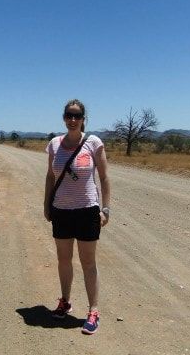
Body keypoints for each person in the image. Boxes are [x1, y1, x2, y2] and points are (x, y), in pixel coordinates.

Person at [44, 99, 111, 335]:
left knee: (88, 262)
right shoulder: (54, 144)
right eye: (69, 115)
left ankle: (93, 311)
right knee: (64, 260)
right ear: (64, 117)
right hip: (61, 210)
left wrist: (106, 209)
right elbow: (50, 178)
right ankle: (65, 301)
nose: (73, 120)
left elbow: (103, 178)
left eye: (77, 116)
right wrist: (46, 205)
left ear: (83, 119)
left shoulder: (93, 143)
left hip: (87, 211)